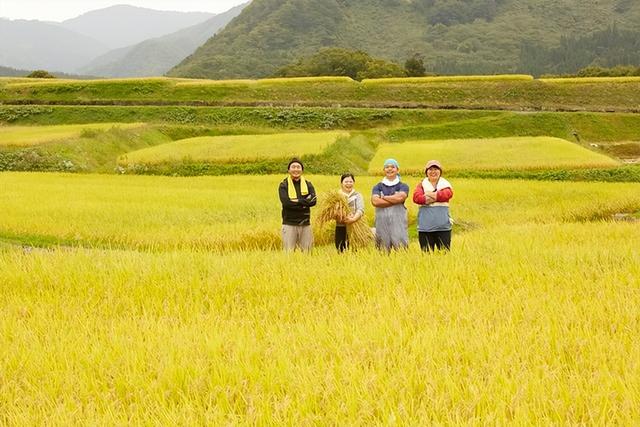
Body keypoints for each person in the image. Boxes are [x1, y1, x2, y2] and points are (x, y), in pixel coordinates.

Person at [412, 160, 453, 252]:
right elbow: (417, 198)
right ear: (426, 172)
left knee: (444, 255)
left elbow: (447, 194)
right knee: (426, 255)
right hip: (425, 227)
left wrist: (428, 196)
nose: (433, 171)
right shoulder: (421, 185)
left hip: (443, 227)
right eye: (430, 169)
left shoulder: (445, 185)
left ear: (440, 172)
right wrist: (437, 196)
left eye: (436, 169)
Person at [278, 158, 317, 252]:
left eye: (298, 167)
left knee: (307, 252)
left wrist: (296, 201)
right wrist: (304, 202)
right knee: (288, 252)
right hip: (289, 223)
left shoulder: (308, 184)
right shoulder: (284, 185)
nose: (296, 169)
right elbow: (286, 203)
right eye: (293, 167)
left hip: (306, 223)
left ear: (302, 170)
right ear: (289, 170)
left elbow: (313, 201)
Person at [371, 158, 409, 252]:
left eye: (393, 167)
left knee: (401, 250)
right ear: (384, 170)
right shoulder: (378, 186)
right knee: (382, 251)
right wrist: (394, 199)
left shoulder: (403, 186)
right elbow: (375, 201)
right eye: (387, 167)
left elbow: (400, 198)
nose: (389, 169)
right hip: (382, 225)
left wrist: (383, 197)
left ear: (397, 170)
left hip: (398, 224)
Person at [335, 173, 365, 252]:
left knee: (355, 250)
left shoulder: (358, 195)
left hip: (355, 227)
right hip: (340, 226)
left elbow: (360, 209)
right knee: (340, 249)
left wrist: (354, 219)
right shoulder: (336, 196)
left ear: (354, 182)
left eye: (350, 182)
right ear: (341, 183)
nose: (348, 184)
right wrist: (341, 216)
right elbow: (332, 211)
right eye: (346, 182)